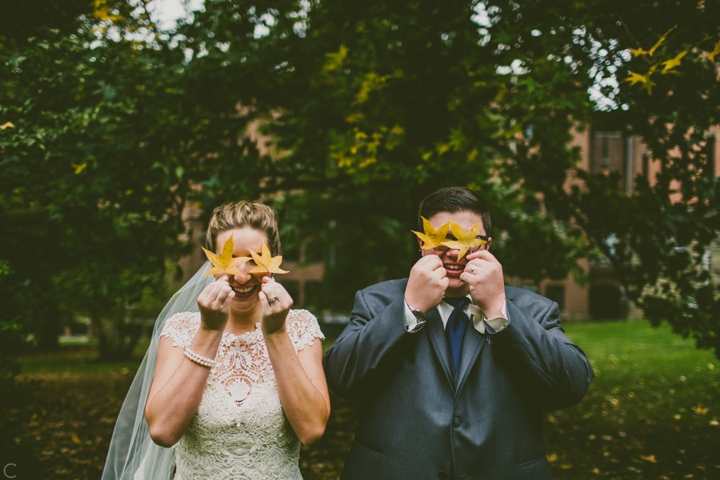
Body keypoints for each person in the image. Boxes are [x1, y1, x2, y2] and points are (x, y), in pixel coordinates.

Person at [323, 187, 593, 480]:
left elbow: (570, 387)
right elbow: (342, 379)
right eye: (440, 241)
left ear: (487, 246)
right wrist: (409, 307)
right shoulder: (375, 301)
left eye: (468, 241)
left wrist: (499, 309)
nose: (454, 252)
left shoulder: (534, 309)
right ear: (421, 243)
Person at [103, 201, 330, 480]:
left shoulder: (299, 327)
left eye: (256, 258)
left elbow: (312, 430)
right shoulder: (180, 331)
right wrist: (209, 331)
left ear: (275, 260)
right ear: (212, 263)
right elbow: (162, 430)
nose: (243, 274)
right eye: (230, 259)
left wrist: (276, 333)